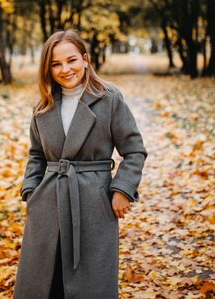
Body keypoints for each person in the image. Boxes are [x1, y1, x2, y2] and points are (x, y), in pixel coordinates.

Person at [13, 29, 148, 299]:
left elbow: (134, 150)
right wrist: (31, 191)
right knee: (45, 282)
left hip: (93, 202)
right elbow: (37, 154)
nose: (65, 69)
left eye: (72, 60)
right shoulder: (43, 105)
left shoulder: (108, 99)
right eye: (56, 64)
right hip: (48, 201)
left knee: (90, 283)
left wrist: (122, 189)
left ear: (85, 60)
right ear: (48, 69)